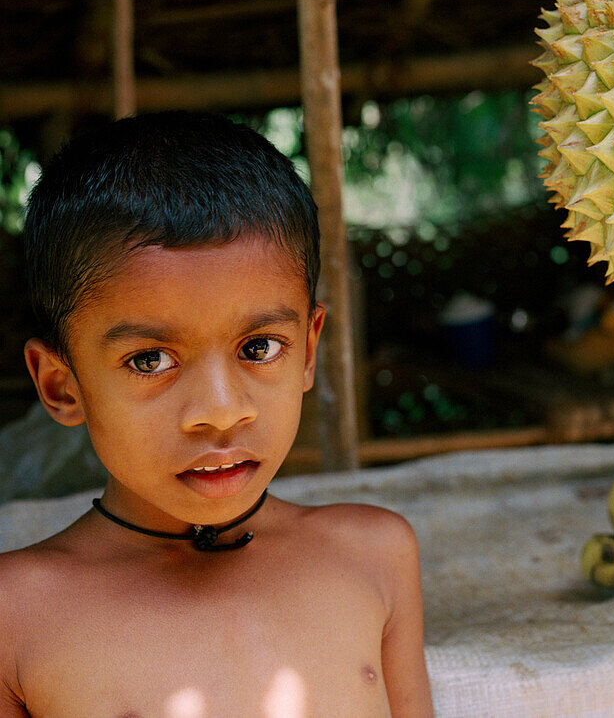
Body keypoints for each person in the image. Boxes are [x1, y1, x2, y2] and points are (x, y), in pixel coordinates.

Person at [0, 111, 434, 718]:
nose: (220, 413)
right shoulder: (16, 614)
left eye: (258, 348)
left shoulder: (374, 555)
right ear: (62, 386)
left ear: (308, 352)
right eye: (149, 360)